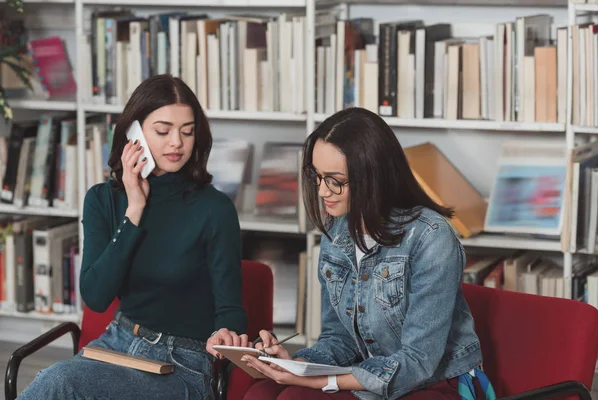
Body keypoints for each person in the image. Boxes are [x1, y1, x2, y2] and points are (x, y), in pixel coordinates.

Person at [18, 75, 249, 400]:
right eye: (162, 131)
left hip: (183, 361)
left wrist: (228, 333)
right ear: (134, 134)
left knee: (62, 383)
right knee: (60, 381)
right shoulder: (102, 199)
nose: (177, 144)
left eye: (187, 131)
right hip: (117, 343)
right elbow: (96, 296)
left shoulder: (215, 209)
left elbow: (231, 308)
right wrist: (135, 209)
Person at [242, 108, 493, 400]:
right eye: (317, 176)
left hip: (434, 382)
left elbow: (419, 361)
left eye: (335, 180)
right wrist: (296, 365)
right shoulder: (335, 234)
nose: (323, 191)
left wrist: (320, 381)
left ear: (372, 177)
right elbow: (340, 339)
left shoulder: (431, 236)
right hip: (368, 375)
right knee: (265, 393)